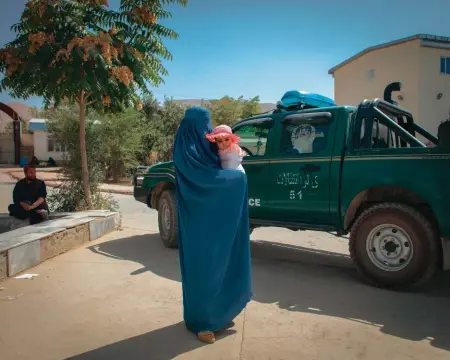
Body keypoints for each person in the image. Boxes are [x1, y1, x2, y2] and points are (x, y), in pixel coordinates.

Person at [173, 107, 252, 344]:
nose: (207, 131)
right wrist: (237, 179)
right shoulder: (185, 151)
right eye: (204, 126)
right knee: (202, 270)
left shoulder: (205, 145)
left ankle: (218, 314)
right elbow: (204, 180)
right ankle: (201, 323)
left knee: (221, 265)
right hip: (198, 222)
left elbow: (220, 165)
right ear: (192, 127)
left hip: (215, 219)